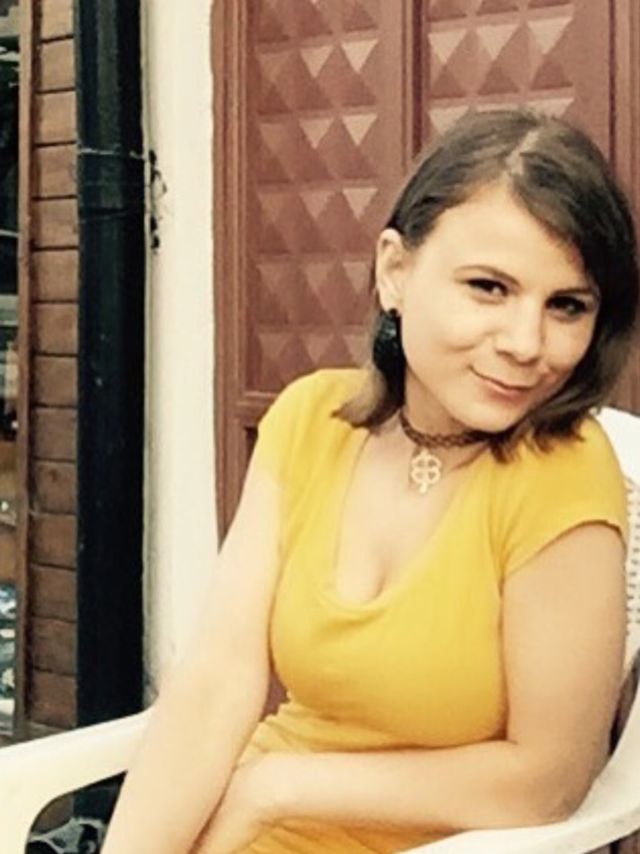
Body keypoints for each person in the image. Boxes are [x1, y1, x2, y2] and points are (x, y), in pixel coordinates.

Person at [102, 107, 639, 854]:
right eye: (489, 287)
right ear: (395, 271)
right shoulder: (311, 420)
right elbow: (217, 682)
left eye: (567, 306)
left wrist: (279, 787)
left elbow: (547, 780)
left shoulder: (563, 472)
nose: (527, 343)